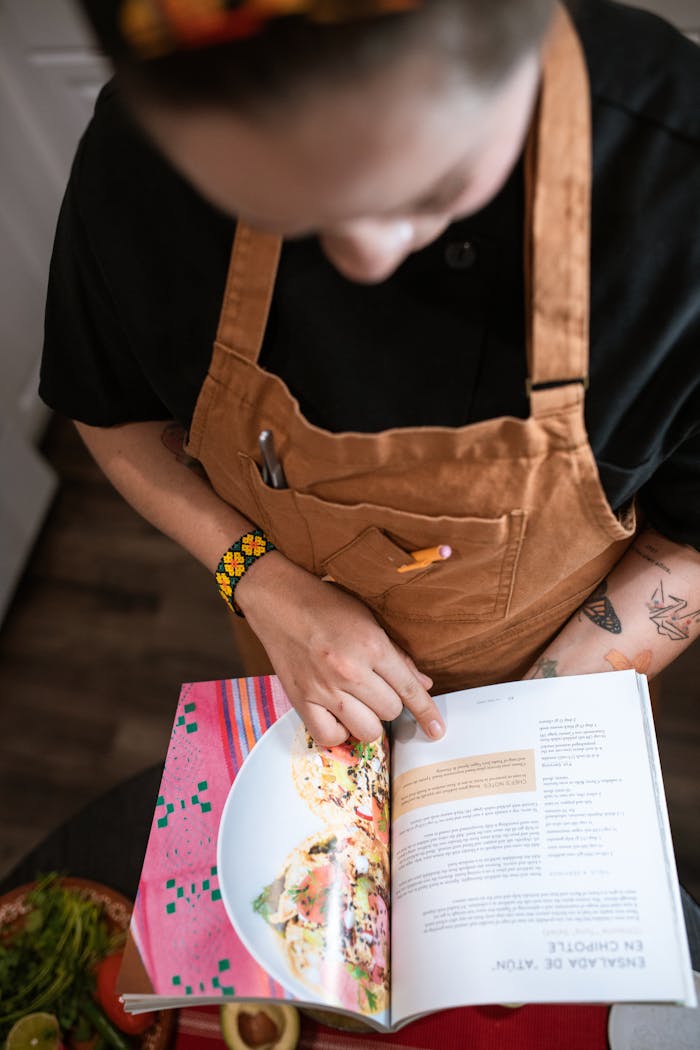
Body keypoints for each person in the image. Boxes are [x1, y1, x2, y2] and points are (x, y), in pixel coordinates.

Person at [41, 0, 700, 747]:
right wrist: (257, 579)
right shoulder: (137, 160)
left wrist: (518, 733)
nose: (370, 260)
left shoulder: (678, 185)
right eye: (285, 211)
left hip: (551, 675)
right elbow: (110, 411)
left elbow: (692, 537)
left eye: (434, 190)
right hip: (285, 641)